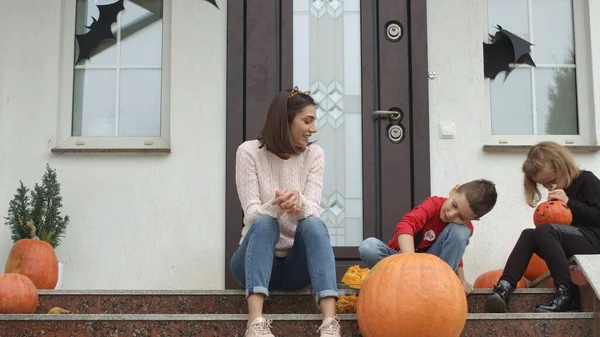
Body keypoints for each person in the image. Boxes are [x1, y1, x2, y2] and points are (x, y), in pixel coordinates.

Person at [230, 87, 341, 337]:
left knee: (314, 225)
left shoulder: (314, 155)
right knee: (265, 223)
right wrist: (277, 205)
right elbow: (250, 215)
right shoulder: (249, 152)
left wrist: (297, 201)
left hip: (295, 268)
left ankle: (330, 323)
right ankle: (255, 322)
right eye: (307, 120)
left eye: (314, 120)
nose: (314, 129)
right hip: (250, 262)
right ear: (285, 121)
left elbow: (313, 210)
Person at [486, 141, 600, 313]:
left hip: (595, 239)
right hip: (575, 240)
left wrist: (570, 203)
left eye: (550, 181)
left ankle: (566, 292)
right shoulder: (560, 190)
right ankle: (505, 287)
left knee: (545, 230)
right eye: (543, 184)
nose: (548, 187)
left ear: (561, 165)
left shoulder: (586, 179)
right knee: (529, 234)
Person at [358, 179, 498, 294]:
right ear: (454, 190)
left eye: (461, 217)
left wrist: (461, 280)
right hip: (401, 265)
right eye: (454, 205)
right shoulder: (433, 204)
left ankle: (440, 286)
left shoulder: (463, 228)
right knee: (369, 247)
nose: (451, 214)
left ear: (473, 219)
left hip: (432, 274)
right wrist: (410, 263)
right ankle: (400, 283)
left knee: (460, 232)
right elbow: (406, 224)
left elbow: (455, 253)